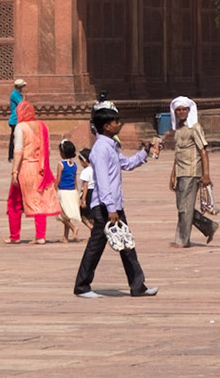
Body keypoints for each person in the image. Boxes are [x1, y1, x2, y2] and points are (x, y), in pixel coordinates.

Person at [74, 107, 160, 297]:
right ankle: (82, 286)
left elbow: (126, 164)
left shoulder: (111, 146)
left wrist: (145, 152)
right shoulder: (100, 149)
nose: (118, 125)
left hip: (114, 205)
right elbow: (103, 181)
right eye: (115, 122)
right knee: (96, 246)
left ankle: (138, 286)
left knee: (126, 244)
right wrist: (111, 207)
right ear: (106, 126)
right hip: (106, 206)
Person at [7, 100, 57, 243]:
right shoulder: (42, 126)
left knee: (14, 201)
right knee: (39, 201)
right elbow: (47, 149)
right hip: (40, 167)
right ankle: (40, 236)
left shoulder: (20, 127)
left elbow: (18, 151)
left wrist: (14, 172)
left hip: (25, 167)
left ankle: (14, 236)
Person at [169, 99, 212, 248]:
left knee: (184, 207)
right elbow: (177, 154)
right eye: (178, 110)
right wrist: (173, 174)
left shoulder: (195, 128)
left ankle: (182, 240)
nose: (181, 112)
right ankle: (208, 226)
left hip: (192, 170)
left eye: (184, 109)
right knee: (182, 206)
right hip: (181, 170)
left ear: (189, 110)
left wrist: (206, 174)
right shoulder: (178, 130)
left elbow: (203, 151)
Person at [54, 139, 82, 242]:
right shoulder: (74, 165)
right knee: (66, 214)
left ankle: (73, 227)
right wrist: (77, 193)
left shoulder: (61, 164)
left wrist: (53, 189)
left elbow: (58, 178)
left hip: (63, 192)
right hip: (72, 192)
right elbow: (75, 180)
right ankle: (65, 237)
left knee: (61, 214)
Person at [7, 77, 26, 161]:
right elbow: (22, 104)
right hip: (15, 119)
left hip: (17, 119)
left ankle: (12, 155)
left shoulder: (17, 94)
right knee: (14, 137)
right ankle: (11, 155)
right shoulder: (15, 94)